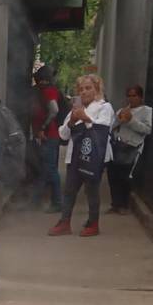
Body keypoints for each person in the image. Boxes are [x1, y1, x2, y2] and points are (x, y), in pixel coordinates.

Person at [48, 74, 115, 237]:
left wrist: (86, 119)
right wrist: (71, 121)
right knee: (69, 190)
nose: (84, 92)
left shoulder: (104, 107)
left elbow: (104, 128)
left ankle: (93, 224)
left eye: (88, 88)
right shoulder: (75, 109)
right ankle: (64, 222)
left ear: (97, 89)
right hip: (75, 156)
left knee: (91, 190)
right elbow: (63, 135)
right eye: (81, 89)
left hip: (94, 157)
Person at [108, 84, 152, 214]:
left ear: (140, 97)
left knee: (125, 177)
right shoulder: (122, 110)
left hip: (132, 147)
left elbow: (147, 129)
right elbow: (112, 126)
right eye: (129, 96)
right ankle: (115, 204)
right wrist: (119, 119)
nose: (131, 99)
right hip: (118, 145)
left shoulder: (146, 111)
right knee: (113, 175)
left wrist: (131, 120)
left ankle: (124, 205)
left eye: (134, 96)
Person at [30, 65, 63, 212]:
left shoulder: (49, 91)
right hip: (48, 136)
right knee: (44, 170)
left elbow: (54, 110)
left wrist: (43, 128)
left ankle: (57, 203)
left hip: (49, 136)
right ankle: (35, 202)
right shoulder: (45, 90)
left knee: (50, 170)